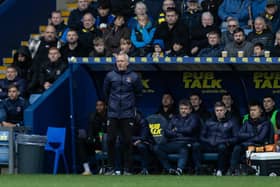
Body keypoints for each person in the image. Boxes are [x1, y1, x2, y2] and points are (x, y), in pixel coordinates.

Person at [103, 52, 142, 175]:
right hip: (113, 113)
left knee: (127, 141)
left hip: (127, 114)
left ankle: (127, 169)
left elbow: (139, 92)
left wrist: (129, 105)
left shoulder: (134, 77)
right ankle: (110, 168)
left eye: (122, 61)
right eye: (118, 61)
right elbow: (105, 92)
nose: (120, 63)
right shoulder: (110, 76)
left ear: (127, 63)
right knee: (110, 140)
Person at [154, 99, 201, 175]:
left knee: (184, 148)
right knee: (157, 148)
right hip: (174, 143)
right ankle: (169, 169)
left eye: (185, 109)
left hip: (187, 142)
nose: (183, 111)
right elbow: (166, 131)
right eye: (181, 109)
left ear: (190, 110)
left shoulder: (194, 118)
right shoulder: (174, 118)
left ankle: (179, 170)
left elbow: (189, 130)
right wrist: (177, 133)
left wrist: (176, 130)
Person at [193, 101, 239, 176]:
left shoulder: (232, 121)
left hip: (222, 144)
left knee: (222, 147)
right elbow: (201, 136)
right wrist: (208, 140)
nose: (219, 112)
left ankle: (220, 170)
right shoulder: (209, 121)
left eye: (221, 110)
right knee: (196, 145)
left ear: (225, 110)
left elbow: (236, 138)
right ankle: (198, 168)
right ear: (214, 111)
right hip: (209, 144)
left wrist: (223, 141)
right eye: (217, 110)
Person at [229, 101, 272, 175]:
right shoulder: (247, 122)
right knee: (236, 147)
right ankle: (233, 170)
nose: (252, 112)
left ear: (261, 111)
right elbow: (239, 135)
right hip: (246, 145)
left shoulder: (266, 123)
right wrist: (252, 134)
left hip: (260, 146)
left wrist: (246, 138)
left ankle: (238, 170)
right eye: (251, 110)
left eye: (255, 110)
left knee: (239, 148)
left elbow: (260, 138)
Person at [76, 100, 107, 175]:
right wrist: (91, 137)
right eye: (97, 105)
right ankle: (87, 169)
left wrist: (103, 136)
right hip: (96, 142)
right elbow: (90, 130)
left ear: (105, 106)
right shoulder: (92, 116)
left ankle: (105, 168)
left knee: (107, 140)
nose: (99, 107)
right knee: (81, 141)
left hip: (107, 142)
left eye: (101, 105)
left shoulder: (110, 116)